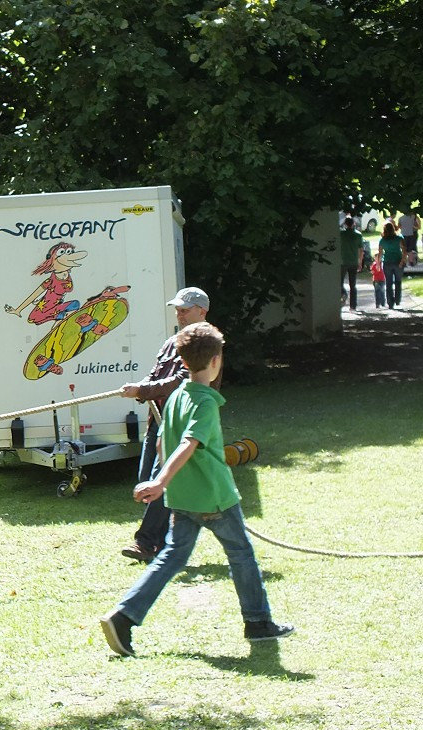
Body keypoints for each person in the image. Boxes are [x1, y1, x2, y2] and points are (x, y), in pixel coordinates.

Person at [101, 323, 294, 656]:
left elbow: (163, 441)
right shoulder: (204, 403)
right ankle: (259, 622)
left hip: (183, 498)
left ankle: (124, 617)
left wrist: (167, 482)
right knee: (242, 555)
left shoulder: (176, 397)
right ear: (216, 360)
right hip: (214, 497)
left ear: (184, 360)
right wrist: (161, 481)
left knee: (171, 558)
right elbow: (188, 444)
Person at [118, 287, 219, 563]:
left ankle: (146, 543)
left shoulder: (208, 344)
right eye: (177, 309)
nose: (179, 314)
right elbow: (157, 374)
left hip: (183, 422)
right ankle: (163, 546)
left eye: (185, 309)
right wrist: (143, 390)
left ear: (202, 311)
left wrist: (144, 389)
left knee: (159, 482)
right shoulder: (170, 342)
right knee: (147, 482)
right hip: (158, 421)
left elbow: (180, 380)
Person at [377, 221, 406, 308]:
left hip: (387, 262)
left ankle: (390, 302)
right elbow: (404, 250)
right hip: (398, 262)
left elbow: (380, 253)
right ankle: (397, 299)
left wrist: (378, 264)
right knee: (398, 281)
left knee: (388, 283)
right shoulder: (399, 238)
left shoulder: (382, 240)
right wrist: (402, 261)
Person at [339, 216, 365, 311]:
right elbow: (361, 250)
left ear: (345, 224)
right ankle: (353, 306)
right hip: (354, 261)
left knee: (339, 283)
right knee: (353, 285)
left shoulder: (341, 234)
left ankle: (343, 294)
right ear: (353, 223)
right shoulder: (358, 235)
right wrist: (360, 262)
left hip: (342, 261)